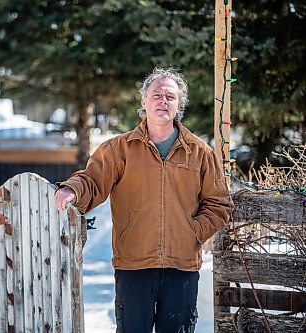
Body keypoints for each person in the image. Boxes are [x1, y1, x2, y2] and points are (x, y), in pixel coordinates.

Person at [54, 67, 233, 333]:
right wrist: (72, 190)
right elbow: (92, 179)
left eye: (170, 97)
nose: (163, 101)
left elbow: (219, 204)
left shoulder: (199, 152)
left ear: (179, 104)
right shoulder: (119, 149)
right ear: (144, 101)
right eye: (157, 95)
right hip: (134, 265)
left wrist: (192, 232)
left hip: (181, 267)